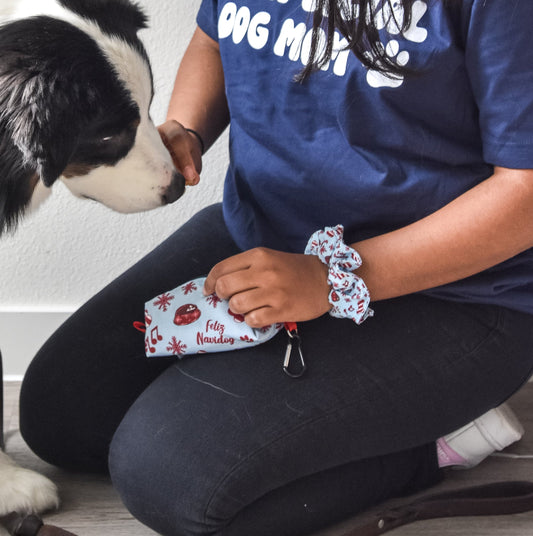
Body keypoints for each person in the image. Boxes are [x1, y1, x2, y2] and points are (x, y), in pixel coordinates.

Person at [19, 0, 533, 535]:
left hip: (457, 292)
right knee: (60, 415)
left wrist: (333, 278)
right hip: (266, 235)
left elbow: (526, 191)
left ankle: (437, 445)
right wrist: (187, 130)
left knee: (168, 480)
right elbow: (215, 37)